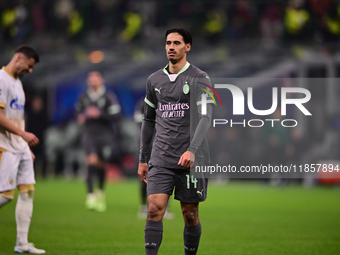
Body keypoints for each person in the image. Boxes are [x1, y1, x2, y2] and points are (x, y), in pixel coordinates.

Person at [138, 28, 214, 255]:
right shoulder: (154, 80)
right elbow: (148, 120)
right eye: (168, 43)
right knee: (153, 209)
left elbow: (206, 117)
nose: (171, 47)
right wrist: (143, 158)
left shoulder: (201, 78)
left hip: (191, 159)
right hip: (161, 156)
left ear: (187, 47)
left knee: (189, 214)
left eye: (177, 43)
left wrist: (192, 150)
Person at [0, 45, 45, 254]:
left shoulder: (17, 83)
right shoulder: (2, 79)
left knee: (28, 192)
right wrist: (23, 135)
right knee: (5, 196)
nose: (30, 71)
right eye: (29, 66)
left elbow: (16, 118)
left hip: (19, 146)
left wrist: (24, 145)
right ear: (18, 58)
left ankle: (21, 243)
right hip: (5, 145)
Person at [75, 70, 121, 212]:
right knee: (91, 160)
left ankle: (100, 193)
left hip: (104, 135)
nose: (93, 81)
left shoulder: (108, 97)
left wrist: (99, 114)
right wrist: (82, 117)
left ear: (102, 80)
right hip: (89, 134)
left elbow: (116, 116)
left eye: (96, 78)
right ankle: (90, 195)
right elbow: (78, 112)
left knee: (101, 165)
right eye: (91, 78)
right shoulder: (84, 97)